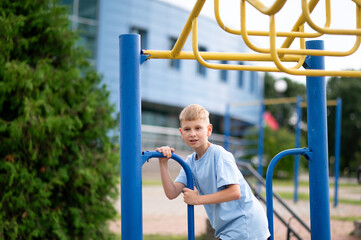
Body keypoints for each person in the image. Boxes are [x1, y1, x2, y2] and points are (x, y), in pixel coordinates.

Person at [156, 104, 270, 240]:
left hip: (245, 224)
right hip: (228, 228)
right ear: (181, 133)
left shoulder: (219, 154)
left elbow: (234, 192)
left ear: (209, 130)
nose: (192, 133)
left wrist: (197, 199)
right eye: (187, 129)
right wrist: (163, 163)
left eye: (198, 128)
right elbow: (172, 192)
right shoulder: (190, 162)